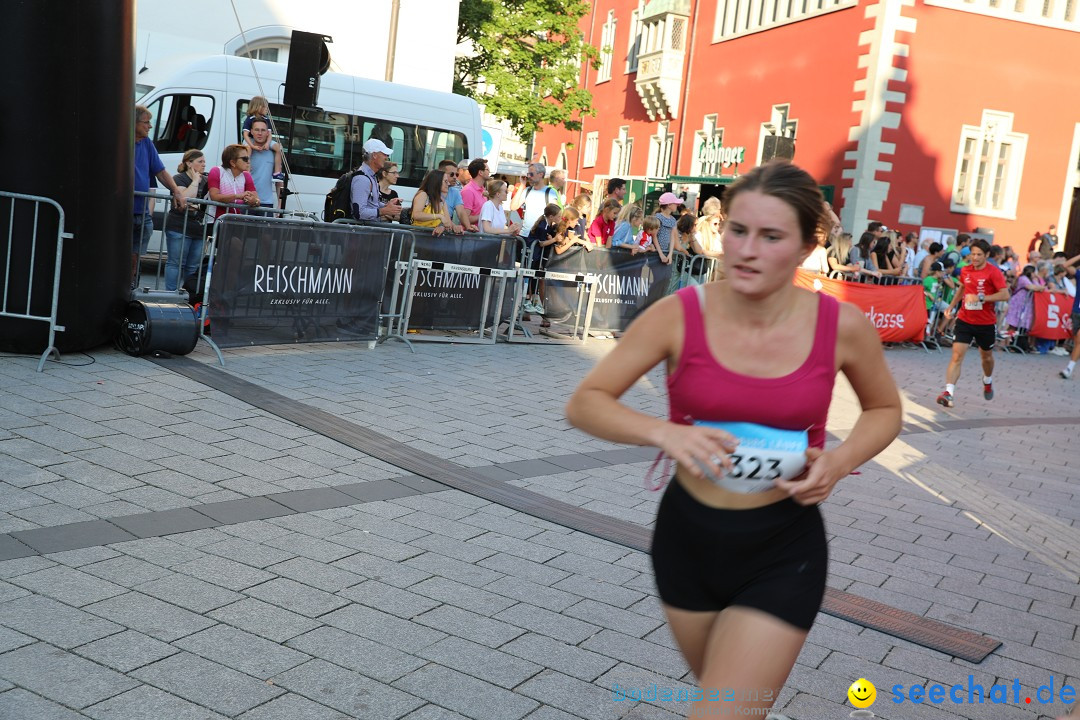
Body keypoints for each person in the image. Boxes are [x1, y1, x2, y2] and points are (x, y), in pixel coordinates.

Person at [565, 160, 901, 720]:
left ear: (805, 247)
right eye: (738, 230)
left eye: (771, 236)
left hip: (782, 550)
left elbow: (885, 409)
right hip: (687, 542)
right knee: (729, 703)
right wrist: (663, 431)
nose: (747, 249)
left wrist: (839, 462)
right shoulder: (680, 313)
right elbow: (586, 402)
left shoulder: (841, 326)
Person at [937, 239, 1010, 408]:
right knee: (956, 355)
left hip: (985, 323)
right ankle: (948, 393)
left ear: (987, 255)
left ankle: (987, 380)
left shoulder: (993, 272)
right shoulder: (965, 270)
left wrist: (982, 298)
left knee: (986, 357)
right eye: (973, 254)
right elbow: (962, 288)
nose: (975, 258)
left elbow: (1005, 295)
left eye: (979, 255)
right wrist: (952, 306)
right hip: (965, 319)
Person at [133, 104, 187, 286]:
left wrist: (176, 191)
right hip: (123, 211)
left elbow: (161, 171)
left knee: (135, 258)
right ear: (133, 122)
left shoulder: (147, 143)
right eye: (146, 122)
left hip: (141, 212)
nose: (150, 126)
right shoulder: (121, 142)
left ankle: (129, 289)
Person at [163, 150, 208, 292]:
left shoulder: (206, 180)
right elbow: (184, 201)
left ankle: (189, 297)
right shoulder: (179, 178)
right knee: (176, 263)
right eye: (200, 161)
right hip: (178, 226)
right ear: (189, 163)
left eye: (204, 161)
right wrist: (195, 182)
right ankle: (171, 296)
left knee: (193, 266)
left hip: (198, 227)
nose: (204, 164)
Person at [350, 138, 403, 221]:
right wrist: (384, 210)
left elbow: (373, 204)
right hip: (364, 232)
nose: (387, 157)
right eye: (384, 154)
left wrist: (387, 205)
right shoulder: (362, 179)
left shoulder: (371, 176)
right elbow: (359, 213)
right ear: (374, 155)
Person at [207, 144, 260, 218]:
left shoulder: (246, 175)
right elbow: (214, 196)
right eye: (245, 159)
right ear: (233, 162)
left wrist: (254, 201)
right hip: (215, 220)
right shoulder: (216, 171)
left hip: (235, 221)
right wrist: (237, 196)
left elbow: (257, 199)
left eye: (248, 158)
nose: (248, 161)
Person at [511, 162, 559, 241]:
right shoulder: (527, 190)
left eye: (531, 174)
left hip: (539, 237)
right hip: (524, 235)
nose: (529, 176)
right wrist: (522, 185)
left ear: (540, 174)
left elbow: (556, 216)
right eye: (528, 174)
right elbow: (513, 207)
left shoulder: (550, 192)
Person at [241, 96, 283, 181]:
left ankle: (277, 172)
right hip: (250, 139)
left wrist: (267, 143)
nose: (267, 109)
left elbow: (269, 134)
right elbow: (245, 134)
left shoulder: (266, 119)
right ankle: (247, 168)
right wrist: (252, 146)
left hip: (265, 139)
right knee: (247, 149)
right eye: (265, 107)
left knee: (278, 148)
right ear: (258, 107)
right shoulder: (249, 119)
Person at [247, 119, 282, 210]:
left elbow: (278, 180)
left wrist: (280, 204)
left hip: (266, 203)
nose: (260, 133)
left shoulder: (274, 151)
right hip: (246, 201)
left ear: (268, 133)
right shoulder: (245, 149)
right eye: (256, 130)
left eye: (263, 130)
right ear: (251, 132)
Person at [411, 170, 458, 236]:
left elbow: (448, 223)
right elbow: (416, 215)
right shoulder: (423, 194)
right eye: (445, 181)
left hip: (432, 238)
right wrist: (439, 216)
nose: (448, 184)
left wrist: (441, 227)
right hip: (418, 236)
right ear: (436, 182)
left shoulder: (441, 200)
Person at [1059, 252, 1080, 378]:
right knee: (1077, 341)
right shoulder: (1079, 274)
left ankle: (1069, 368)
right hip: (1077, 312)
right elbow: (1064, 265)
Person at [460, 158, 490, 229]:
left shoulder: (482, 189)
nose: (489, 172)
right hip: (471, 236)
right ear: (480, 172)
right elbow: (465, 219)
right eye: (487, 170)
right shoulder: (468, 191)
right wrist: (484, 215)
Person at [653, 192, 682, 265]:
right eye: (675, 203)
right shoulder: (658, 217)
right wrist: (660, 254)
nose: (677, 205)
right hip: (655, 254)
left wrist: (670, 254)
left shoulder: (672, 219)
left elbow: (672, 238)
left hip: (665, 253)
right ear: (669, 205)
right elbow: (654, 236)